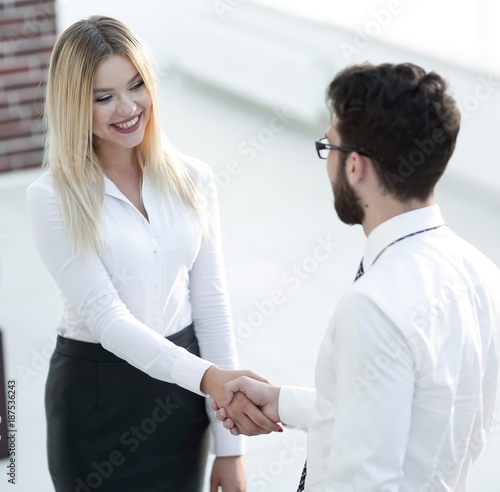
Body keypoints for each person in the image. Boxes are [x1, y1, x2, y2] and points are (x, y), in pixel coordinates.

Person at [214, 63, 500, 490]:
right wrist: (282, 403)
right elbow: (408, 416)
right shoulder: (482, 273)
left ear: (356, 166)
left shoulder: (372, 307)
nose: (327, 163)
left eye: (329, 147)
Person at [26, 15, 279, 492]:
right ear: (72, 104)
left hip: (182, 396)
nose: (127, 107)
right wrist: (211, 379)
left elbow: (212, 307)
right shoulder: (50, 197)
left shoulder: (193, 178)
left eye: (136, 85)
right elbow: (108, 320)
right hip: (98, 398)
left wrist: (231, 450)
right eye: (102, 97)